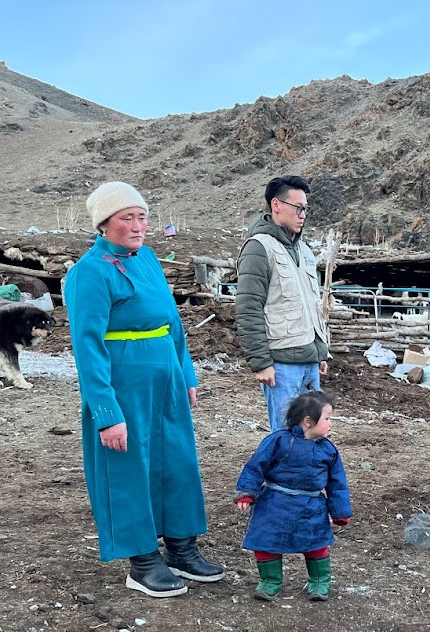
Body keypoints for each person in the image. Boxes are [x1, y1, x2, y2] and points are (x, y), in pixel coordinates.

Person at [66, 181, 225, 598]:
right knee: (128, 465)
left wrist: (186, 374)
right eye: (127, 218)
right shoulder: (90, 271)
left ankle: (180, 546)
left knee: (176, 459)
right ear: (104, 224)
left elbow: (173, 322)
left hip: (165, 377)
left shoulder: (150, 259)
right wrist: (106, 412)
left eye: (142, 217)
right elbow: (87, 346)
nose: (138, 226)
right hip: (124, 382)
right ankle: (142, 560)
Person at [234, 391, 352, 601]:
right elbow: (255, 466)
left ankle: (319, 582)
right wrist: (246, 492)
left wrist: (340, 511)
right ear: (308, 421)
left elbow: (337, 483)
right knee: (266, 540)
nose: (330, 424)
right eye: (327, 418)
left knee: (315, 543)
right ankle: (270, 581)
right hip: (274, 504)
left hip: (311, 507)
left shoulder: (328, 450)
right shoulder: (278, 441)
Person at [236, 174, 330, 430]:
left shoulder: (304, 250)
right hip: (281, 364)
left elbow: (311, 304)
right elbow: (248, 307)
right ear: (276, 205)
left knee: (313, 431)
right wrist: (261, 362)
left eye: (305, 209)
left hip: (308, 360)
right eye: (298, 208)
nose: (303, 215)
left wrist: (320, 351)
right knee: (287, 432)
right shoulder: (258, 248)